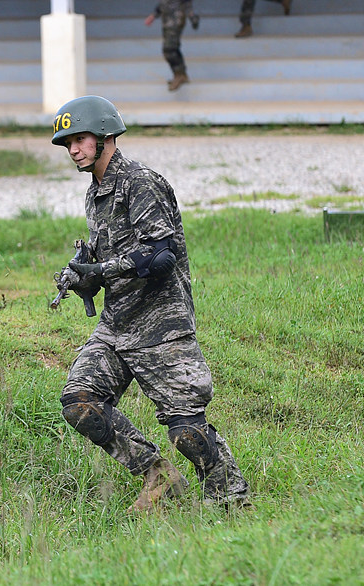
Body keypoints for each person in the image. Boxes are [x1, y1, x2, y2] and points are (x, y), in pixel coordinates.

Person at [50, 95, 250, 513]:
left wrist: (101, 270)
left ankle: (232, 500)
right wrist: (82, 274)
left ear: (106, 137)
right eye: (67, 142)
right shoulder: (97, 193)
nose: (73, 150)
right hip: (117, 324)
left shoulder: (140, 183)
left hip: (161, 327)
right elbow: (110, 255)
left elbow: (160, 256)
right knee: (80, 403)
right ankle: (157, 475)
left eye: (80, 139)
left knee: (187, 433)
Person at [144, 0, 197, 91]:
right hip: (167, 21)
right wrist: (153, 16)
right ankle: (181, 74)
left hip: (175, 21)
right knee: (172, 49)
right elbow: (162, 4)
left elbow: (187, 4)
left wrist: (192, 17)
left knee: (169, 49)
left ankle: (179, 75)